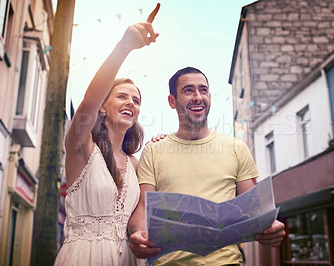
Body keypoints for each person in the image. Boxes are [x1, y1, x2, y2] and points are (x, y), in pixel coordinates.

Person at [128, 67, 286, 265]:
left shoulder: (236, 148)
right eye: (188, 90)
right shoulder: (153, 150)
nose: (197, 97)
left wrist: (271, 226)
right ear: (172, 101)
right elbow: (143, 207)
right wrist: (137, 234)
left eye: (203, 90)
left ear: (210, 97)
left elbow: (254, 209)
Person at [54, 4, 160, 266]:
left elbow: (145, 212)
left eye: (136, 100)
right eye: (122, 96)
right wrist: (124, 47)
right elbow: (88, 102)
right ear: (103, 105)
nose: (131, 103)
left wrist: (159, 148)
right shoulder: (81, 147)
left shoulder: (135, 164)